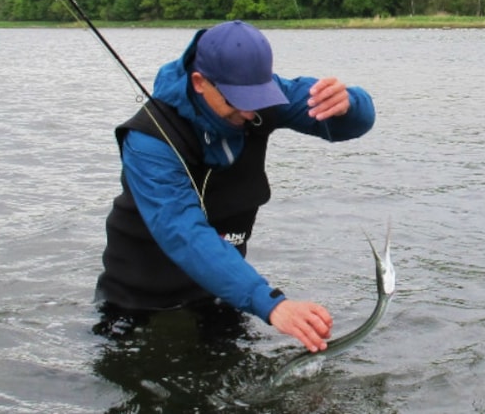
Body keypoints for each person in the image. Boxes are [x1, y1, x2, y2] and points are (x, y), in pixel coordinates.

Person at [94, 20, 375, 352]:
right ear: (200, 83)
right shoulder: (147, 142)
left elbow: (350, 122)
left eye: (256, 96)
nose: (248, 110)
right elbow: (183, 231)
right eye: (236, 99)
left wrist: (350, 104)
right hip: (139, 298)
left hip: (220, 292)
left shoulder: (263, 95)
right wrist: (271, 304)